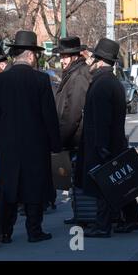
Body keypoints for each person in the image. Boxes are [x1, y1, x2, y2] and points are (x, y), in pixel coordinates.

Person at [0, 30, 61, 243]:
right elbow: (49, 115)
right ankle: (34, 230)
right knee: (34, 188)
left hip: (8, 143)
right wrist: (55, 144)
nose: (36, 58)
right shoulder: (41, 80)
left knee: (9, 188)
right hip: (36, 144)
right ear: (29, 55)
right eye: (35, 55)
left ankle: (5, 231)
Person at [77, 38, 138, 238]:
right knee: (120, 184)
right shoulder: (112, 82)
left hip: (102, 146)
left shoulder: (101, 85)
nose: (89, 63)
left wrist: (101, 147)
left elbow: (101, 121)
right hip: (113, 143)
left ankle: (102, 225)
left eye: (93, 58)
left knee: (104, 186)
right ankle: (133, 219)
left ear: (99, 61)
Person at [52, 36, 92, 223]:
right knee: (75, 180)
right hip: (74, 138)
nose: (62, 59)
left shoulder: (78, 75)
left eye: (65, 56)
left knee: (78, 179)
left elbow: (73, 113)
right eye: (61, 56)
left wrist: (60, 139)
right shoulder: (73, 73)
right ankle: (79, 214)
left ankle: (83, 215)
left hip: (76, 138)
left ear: (75, 56)